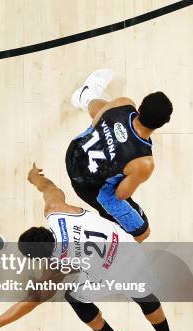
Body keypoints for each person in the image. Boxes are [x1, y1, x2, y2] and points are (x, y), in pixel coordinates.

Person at [0, 164, 182, 331]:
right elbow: (50, 188)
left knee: (74, 297)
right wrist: (35, 178)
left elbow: (31, 301)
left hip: (108, 276)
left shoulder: (56, 267)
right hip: (129, 249)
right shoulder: (56, 210)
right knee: (143, 294)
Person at [67, 69, 173, 242]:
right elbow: (121, 194)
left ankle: (86, 95)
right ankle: (113, 256)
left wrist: (113, 144)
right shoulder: (144, 163)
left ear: (140, 107)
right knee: (142, 232)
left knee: (106, 112)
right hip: (87, 187)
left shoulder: (124, 103)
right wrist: (121, 159)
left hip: (73, 154)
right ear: (164, 123)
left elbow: (95, 122)